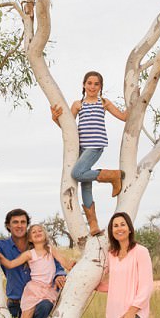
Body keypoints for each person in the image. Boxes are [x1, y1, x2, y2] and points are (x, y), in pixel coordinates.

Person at [50, 71, 127, 236]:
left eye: (96, 84)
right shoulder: (78, 104)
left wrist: (135, 102)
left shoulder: (104, 103)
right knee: (85, 183)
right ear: (84, 85)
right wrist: (55, 118)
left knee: (77, 173)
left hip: (96, 146)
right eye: (89, 83)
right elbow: (67, 127)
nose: (92, 86)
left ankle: (113, 175)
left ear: (100, 87)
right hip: (81, 148)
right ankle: (93, 225)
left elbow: (124, 116)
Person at [0, 208, 67, 318]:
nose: (19, 225)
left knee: (44, 308)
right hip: (17, 301)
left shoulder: (46, 249)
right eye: (15, 222)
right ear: (8, 226)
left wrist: (59, 274)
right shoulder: (2, 246)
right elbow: (7, 262)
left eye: (23, 222)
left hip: (44, 296)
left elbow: (59, 264)